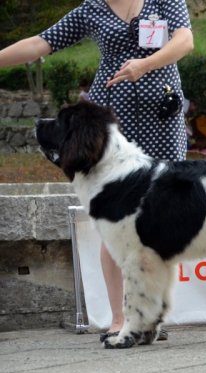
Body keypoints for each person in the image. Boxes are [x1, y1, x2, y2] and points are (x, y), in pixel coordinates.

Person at [0, 0, 194, 341]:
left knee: (160, 221)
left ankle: (151, 315)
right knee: (113, 220)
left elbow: (184, 41)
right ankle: (119, 318)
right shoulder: (91, 9)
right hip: (111, 126)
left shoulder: (165, 0)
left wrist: (145, 65)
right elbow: (41, 42)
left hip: (162, 120)